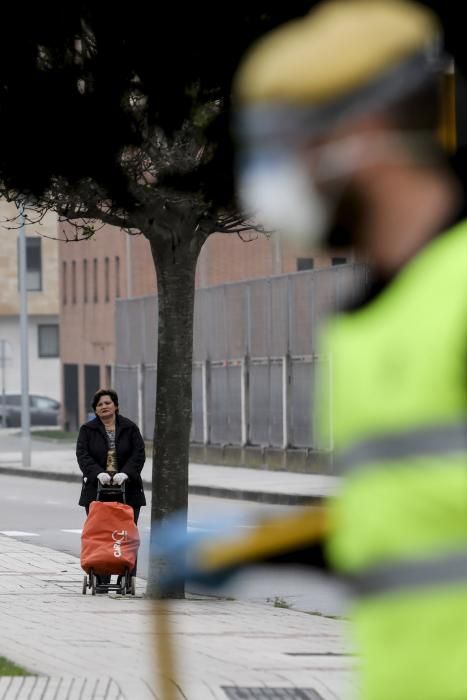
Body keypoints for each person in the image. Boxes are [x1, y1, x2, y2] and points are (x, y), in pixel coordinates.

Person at [232, 2, 467, 699]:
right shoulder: (372, 316)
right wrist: (258, 547)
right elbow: (410, 526)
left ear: (360, 132)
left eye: (283, 141)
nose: (270, 172)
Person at [76, 388, 146, 587]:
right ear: (95, 410)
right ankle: (100, 576)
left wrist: (128, 473)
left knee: (126, 535)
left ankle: (126, 575)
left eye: (107, 403)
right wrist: (97, 473)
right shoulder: (87, 430)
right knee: (100, 534)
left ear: (115, 405)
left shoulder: (130, 428)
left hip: (128, 490)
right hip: (97, 489)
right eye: (99, 405)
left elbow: (138, 453)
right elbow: (83, 455)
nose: (104, 407)